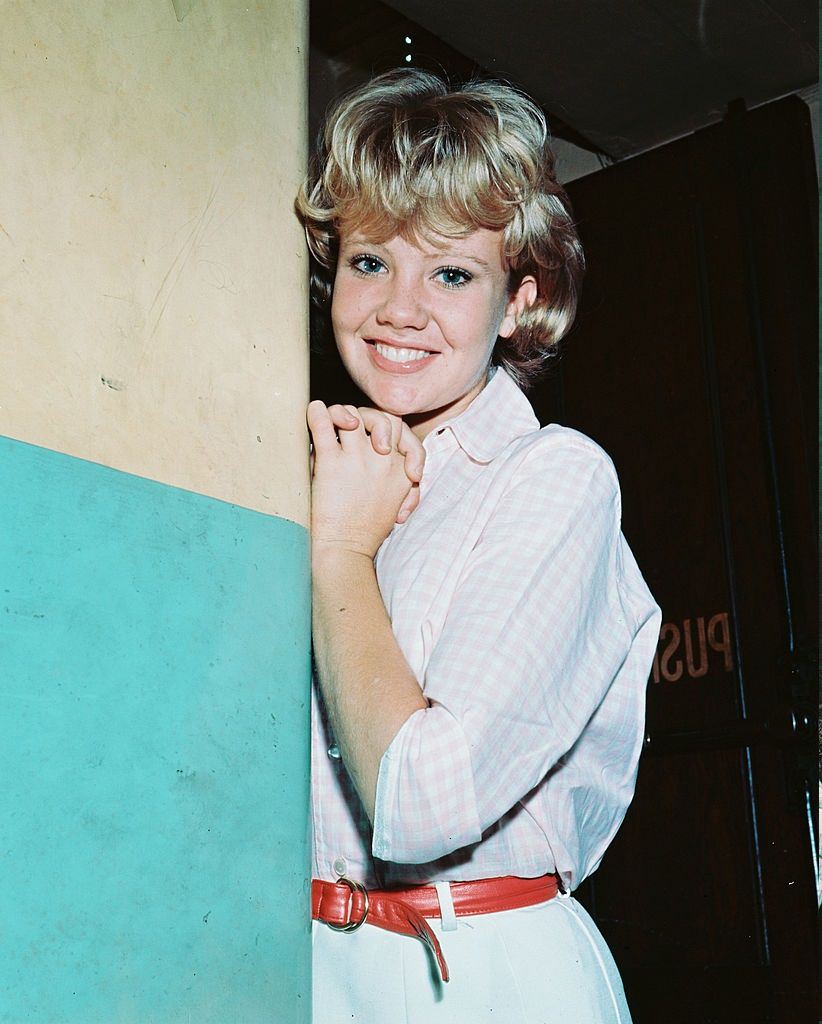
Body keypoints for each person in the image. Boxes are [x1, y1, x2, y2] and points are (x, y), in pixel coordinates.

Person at [296, 68, 661, 1023]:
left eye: (451, 272)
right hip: (315, 974)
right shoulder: (321, 473)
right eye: (372, 261)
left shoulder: (554, 477)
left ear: (517, 302)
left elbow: (423, 798)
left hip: (484, 975)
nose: (400, 310)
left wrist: (340, 552)